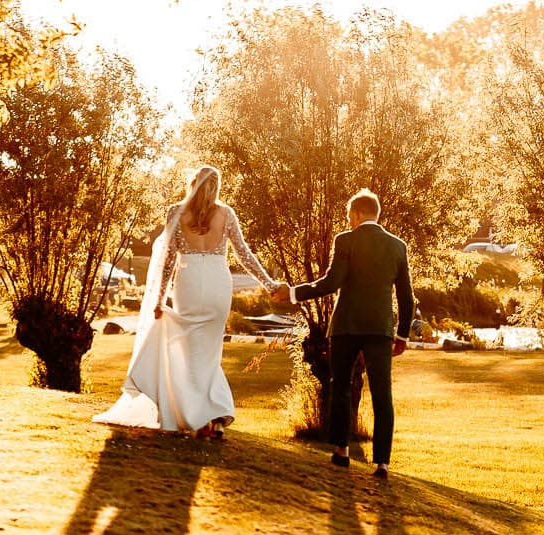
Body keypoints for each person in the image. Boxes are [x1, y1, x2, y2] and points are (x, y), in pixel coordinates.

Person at [93, 165, 284, 438]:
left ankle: (201, 415)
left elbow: (169, 260)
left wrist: (160, 299)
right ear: (216, 187)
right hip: (218, 284)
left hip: (190, 283)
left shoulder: (177, 212)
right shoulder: (226, 214)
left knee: (189, 352)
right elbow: (244, 254)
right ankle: (214, 416)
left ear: (192, 183)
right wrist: (270, 284)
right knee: (209, 353)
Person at [282, 188, 414, 479]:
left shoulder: (345, 240)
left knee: (340, 385)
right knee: (383, 394)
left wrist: (293, 293)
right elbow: (407, 297)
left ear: (355, 214)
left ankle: (341, 450)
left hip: (345, 327)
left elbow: (331, 283)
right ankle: (382, 462)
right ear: (375, 214)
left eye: (349, 216)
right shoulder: (397, 246)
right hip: (380, 330)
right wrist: (402, 335)